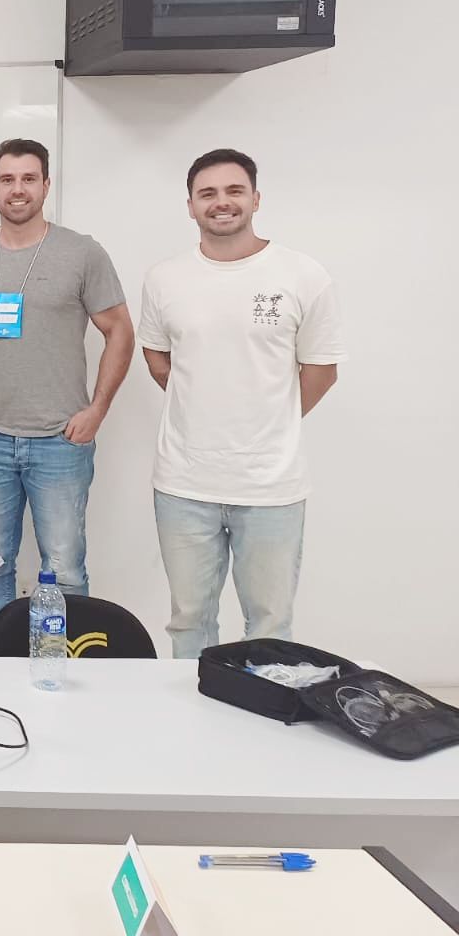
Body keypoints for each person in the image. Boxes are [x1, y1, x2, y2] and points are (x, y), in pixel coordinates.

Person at [140, 149, 345, 658]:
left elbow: (321, 370)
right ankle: (193, 704)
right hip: (183, 484)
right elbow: (157, 357)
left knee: (270, 624)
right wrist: (202, 405)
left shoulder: (302, 275)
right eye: (207, 193)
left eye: (234, 191)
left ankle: (263, 705)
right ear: (190, 205)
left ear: (256, 198)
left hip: (271, 486)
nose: (222, 202)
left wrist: (271, 417)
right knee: (189, 621)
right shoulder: (165, 278)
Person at [0, 138, 134, 655]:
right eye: (7, 179)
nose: (18, 189)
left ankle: (63, 669)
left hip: (59, 442)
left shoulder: (82, 252)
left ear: (46, 185)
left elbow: (119, 329)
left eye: (28, 179)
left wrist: (97, 409)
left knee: (66, 570)